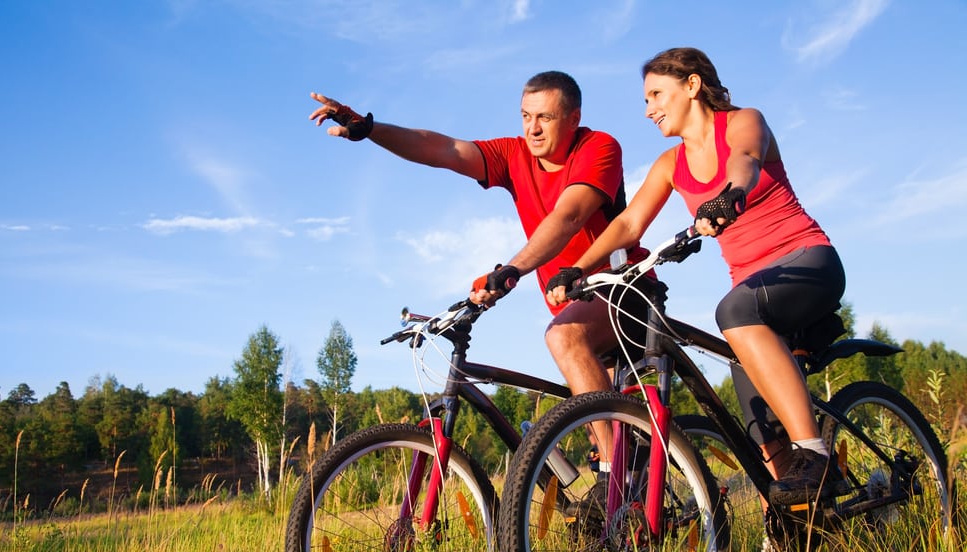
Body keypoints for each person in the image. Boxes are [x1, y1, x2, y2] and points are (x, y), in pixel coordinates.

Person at [545, 47, 848, 506]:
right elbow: (628, 225)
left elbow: (744, 158)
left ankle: (817, 457)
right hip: (754, 293)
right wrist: (580, 267)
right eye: (645, 100)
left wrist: (731, 195)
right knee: (759, 436)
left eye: (655, 94)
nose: (648, 109)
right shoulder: (671, 163)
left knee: (732, 310)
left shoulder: (744, 121)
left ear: (691, 85)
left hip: (806, 261)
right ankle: (802, 528)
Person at [309, 72, 651, 456]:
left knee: (564, 343)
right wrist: (370, 129)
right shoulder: (514, 155)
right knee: (601, 424)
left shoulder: (598, 147)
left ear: (573, 119)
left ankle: (612, 478)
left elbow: (568, 216)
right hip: (570, 306)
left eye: (545, 118)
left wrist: (511, 269)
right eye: (525, 116)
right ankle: (626, 483)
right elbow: (443, 150)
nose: (532, 129)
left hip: (625, 293)